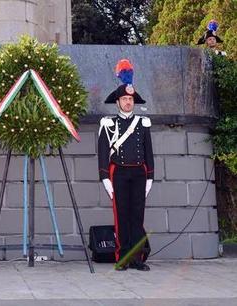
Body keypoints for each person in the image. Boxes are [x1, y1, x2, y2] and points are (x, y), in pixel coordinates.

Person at [97, 59, 154, 271]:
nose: (128, 102)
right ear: (118, 102)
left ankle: (137, 258)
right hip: (118, 173)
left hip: (139, 173)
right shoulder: (108, 123)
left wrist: (150, 177)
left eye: (130, 99)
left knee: (137, 216)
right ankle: (122, 258)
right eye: (124, 99)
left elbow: (149, 152)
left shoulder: (143, 123)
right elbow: (103, 152)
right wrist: (105, 177)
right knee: (121, 216)